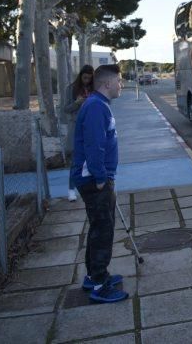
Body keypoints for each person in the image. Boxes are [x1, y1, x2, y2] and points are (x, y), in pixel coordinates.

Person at [70, 64, 127, 303]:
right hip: (95, 181)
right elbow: (95, 146)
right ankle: (100, 285)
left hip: (96, 179)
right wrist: (102, 178)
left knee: (98, 228)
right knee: (103, 230)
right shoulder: (95, 107)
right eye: (119, 81)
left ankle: (94, 276)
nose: (120, 85)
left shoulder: (98, 104)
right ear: (106, 84)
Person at [63, 65, 94, 201]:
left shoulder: (95, 89)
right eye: (85, 77)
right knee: (76, 162)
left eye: (89, 78)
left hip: (92, 128)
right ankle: (71, 190)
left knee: (93, 160)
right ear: (80, 76)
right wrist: (77, 103)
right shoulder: (71, 89)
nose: (87, 81)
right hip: (76, 128)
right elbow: (65, 109)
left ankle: (91, 188)